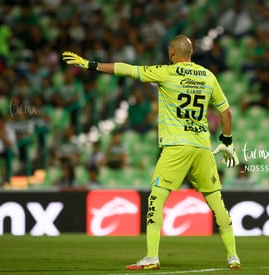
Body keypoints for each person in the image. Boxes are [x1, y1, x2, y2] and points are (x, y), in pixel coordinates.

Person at [62, 35, 240, 269]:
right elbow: (226, 113)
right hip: (202, 146)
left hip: (176, 146)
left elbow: (127, 70)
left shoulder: (166, 72)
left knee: (156, 198)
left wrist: (90, 64)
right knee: (217, 202)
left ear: (172, 53)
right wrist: (226, 140)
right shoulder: (208, 76)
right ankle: (233, 256)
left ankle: (152, 256)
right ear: (192, 53)